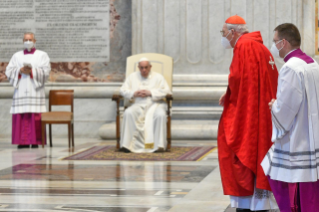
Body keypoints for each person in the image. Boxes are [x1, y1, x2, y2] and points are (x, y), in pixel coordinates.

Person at [218, 15, 279, 211]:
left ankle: (247, 204)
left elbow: (238, 79)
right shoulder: (259, 46)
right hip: (262, 112)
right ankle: (257, 204)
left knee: (237, 147)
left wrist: (229, 97)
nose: (223, 37)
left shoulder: (244, 45)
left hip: (251, 113)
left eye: (224, 33)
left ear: (233, 32)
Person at [261, 23, 319, 212]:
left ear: (283, 43)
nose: (273, 45)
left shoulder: (290, 68)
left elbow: (286, 108)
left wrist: (274, 107)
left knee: (278, 175)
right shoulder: (311, 62)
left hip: (297, 137)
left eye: (275, 41)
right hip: (312, 133)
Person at [5, 32, 51, 149]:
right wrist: (19, 70)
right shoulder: (16, 56)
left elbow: (46, 71)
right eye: (26, 39)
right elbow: (9, 71)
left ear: (35, 41)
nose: (28, 42)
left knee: (35, 114)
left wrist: (31, 71)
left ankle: (35, 141)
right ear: (23, 41)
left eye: (30, 40)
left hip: (35, 89)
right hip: (21, 89)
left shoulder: (42, 55)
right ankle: (22, 141)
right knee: (21, 113)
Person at [119, 57, 171, 153]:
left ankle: (158, 146)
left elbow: (166, 91)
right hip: (138, 104)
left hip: (155, 104)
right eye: (141, 68)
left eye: (146, 67)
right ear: (138, 67)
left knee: (160, 115)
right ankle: (127, 145)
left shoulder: (158, 77)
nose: (144, 70)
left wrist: (150, 92)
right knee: (128, 112)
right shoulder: (132, 77)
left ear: (150, 67)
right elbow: (122, 90)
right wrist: (134, 93)